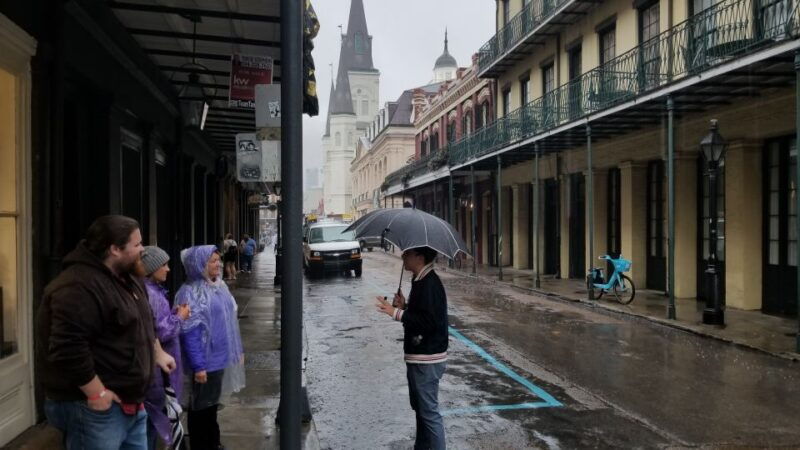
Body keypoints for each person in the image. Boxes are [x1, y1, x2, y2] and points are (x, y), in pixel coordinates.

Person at [36, 215, 177, 450]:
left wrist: (157, 353)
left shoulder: (127, 277)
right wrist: (96, 393)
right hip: (95, 410)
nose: (143, 250)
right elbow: (67, 347)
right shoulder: (78, 286)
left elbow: (144, 320)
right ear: (115, 249)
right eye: (137, 244)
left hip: (131, 402)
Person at [375, 247, 448, 450]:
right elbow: (422, 315)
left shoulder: (429, 283)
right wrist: (404, 307)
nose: (402, 256)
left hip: (428, 358)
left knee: (429, 412)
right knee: (421, 409)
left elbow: (429, 321)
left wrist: (395, 313)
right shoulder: (420, 280)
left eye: (407, 253)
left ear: (420, 257)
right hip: (419, 355)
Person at [177, 245, 245, 450]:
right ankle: (202, 444)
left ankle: (212, 441)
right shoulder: (190, 293)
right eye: (213, 261)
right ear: (199, 264)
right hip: (205, 364)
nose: (219, 264)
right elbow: (190, 333)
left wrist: (236, 350)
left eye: (219, 260)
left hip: (220, 360)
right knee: (200, 409)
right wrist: (198, 366)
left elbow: (230, 322)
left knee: (211, 406)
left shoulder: (218, 286)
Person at [140, 246, 191, 450]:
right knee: (153, 422)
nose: (168, 269)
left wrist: (172, 314)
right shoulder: (152, 294)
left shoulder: (152, 291)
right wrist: (180, 317)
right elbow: (159, 333)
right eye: (164, 265)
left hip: (159, 370)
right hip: (159, 373)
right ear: (151, 269)